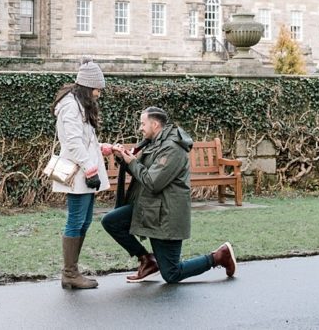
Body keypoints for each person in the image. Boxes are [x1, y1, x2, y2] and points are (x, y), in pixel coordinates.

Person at [101, 106, 237, 284]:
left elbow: (152, 182)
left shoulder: (172, 148)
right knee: (112, 221)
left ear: (155, 124)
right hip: (150, 208)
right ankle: (146, 261)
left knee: (172, 273)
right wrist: (123, 157)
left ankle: (219, 257)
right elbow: (141, 169)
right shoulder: (155, 142)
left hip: (166, 214)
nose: (140, 128)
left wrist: (132, 162)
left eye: (143, 124)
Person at [51, 59, 110, 290]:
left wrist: (100, 147)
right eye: (97, 89)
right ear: (87, 87)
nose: (98, 93)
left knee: (83, 221)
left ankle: (73, 270)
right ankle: (69, 273)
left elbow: (83, 139)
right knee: (76, 220)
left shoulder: (79, 104)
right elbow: (73, 142)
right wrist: (90, 168)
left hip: (85, 171)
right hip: (79, 173)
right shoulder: (71, 106)